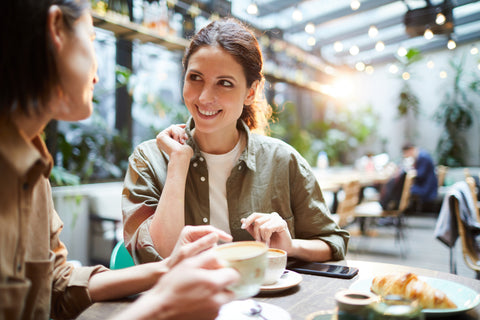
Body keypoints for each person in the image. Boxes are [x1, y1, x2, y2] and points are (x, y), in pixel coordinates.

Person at [0, 1, 239, 319]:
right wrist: (160, 306)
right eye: (92, 39)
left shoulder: (33, 170)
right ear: (56, 29)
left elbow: (57, 284)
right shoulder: (148, 156)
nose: (97, 69)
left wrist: (168, 268)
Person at [122, 18, 349, 264]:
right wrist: (178, 162)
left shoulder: (283, 161)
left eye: (225, 83)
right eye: (195, 77)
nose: (205, 97)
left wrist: (290, 245)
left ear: (251, 92)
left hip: (266, 300)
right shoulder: (150, 159)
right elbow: (155, 256)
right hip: (183, 300)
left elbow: (332, 242)